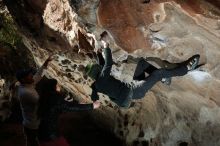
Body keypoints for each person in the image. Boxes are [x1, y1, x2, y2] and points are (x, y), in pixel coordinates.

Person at [85, 32, 200, 108]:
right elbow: (108, 63)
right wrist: (106, 46)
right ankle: (186, 69)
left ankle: (165, 78)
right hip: (135, 91)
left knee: (141, 64)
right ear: (97, 72)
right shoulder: (101, 79)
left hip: (130, 87)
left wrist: (95, 102)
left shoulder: (96, 85)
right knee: (157, 73)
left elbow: (94, 95)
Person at [36, 78, 100, 146]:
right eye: (57, 85)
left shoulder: (45, 97)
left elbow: (59, 108)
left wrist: (76, 104)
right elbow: (70, 107)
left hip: (42, 133)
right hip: (51, 135)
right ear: (53, 88)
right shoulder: (55, 99)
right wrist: (92, 106)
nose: (59, 86)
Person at [16, 56, 52, 146]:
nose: (31, 75)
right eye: (29, 75)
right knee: (33, 142)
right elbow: (43, 103)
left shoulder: (27, 84)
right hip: (32, 125)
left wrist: (46, 63)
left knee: (33, 141)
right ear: (23, 79)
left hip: (33, 121)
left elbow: (38, 75)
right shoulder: (26, 92)